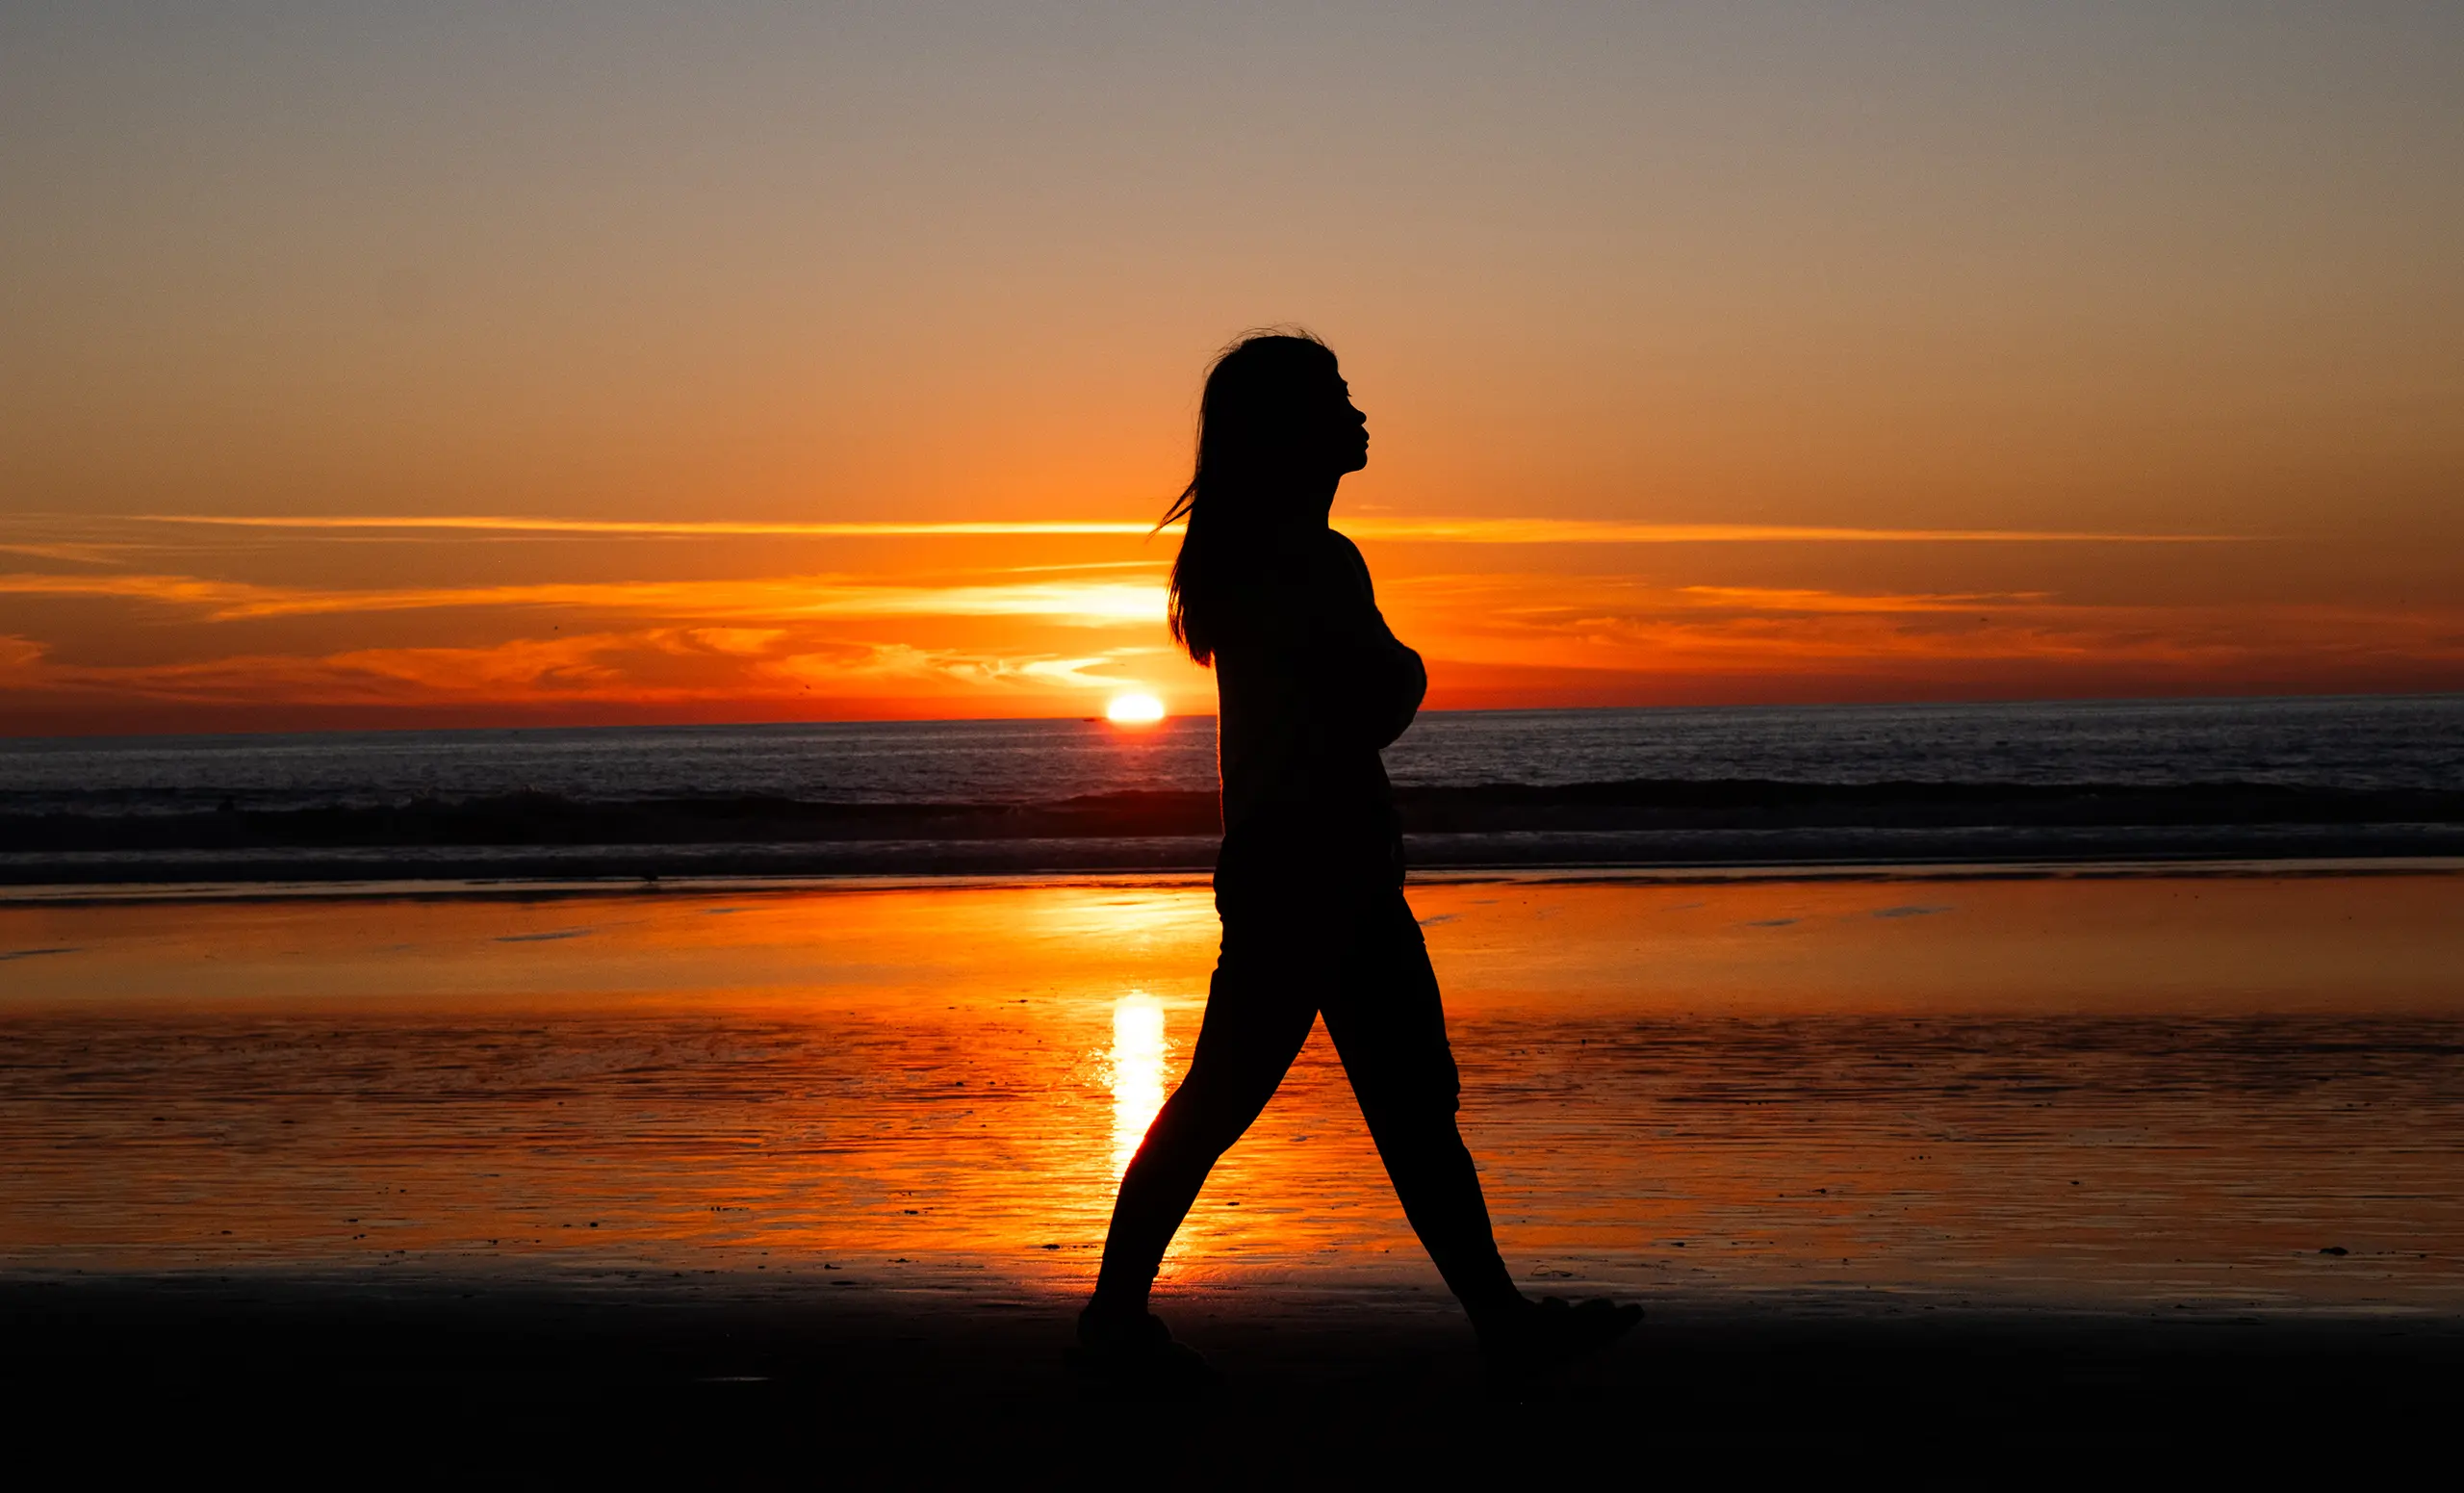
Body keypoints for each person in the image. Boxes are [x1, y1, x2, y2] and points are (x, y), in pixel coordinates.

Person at [1076, 331, 1640, 1383]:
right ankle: (1115, 1323)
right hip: (1318, 870)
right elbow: (1369, 702)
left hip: (1293, 865)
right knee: (1350, 1102)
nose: (1359, 412)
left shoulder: (1256, 556)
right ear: (1292, 428)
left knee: (1339, 1100)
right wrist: (1410, 669)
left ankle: (1497, 1321)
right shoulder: (1309, 559)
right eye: (1337, 396)